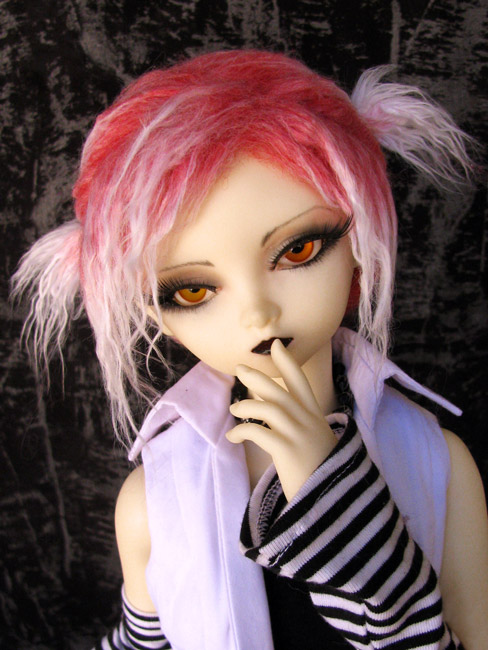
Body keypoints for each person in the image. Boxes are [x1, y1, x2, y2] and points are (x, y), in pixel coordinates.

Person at [11, 50, 488, 649]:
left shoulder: (437, 465)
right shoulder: (154, 502)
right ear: (155, 313)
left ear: (358, 240)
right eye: (194, 289)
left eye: (296, 252)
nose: (257, 312)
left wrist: (339, 500)